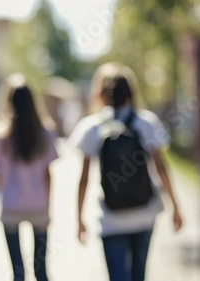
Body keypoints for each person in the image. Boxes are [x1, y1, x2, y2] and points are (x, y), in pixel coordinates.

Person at [68, 62, 183, 281]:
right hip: (145, 214)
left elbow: (83, 179)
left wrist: (79, 219)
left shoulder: (92, 127)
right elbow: (162, 169)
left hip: (111, 219)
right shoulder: (146, 122)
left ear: (101, 94)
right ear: (131, 92)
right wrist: (176, 207)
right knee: (139, 275)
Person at [0, 74, 58, 281]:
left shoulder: (0, 137)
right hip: (39, 205)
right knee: (41, 270)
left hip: (11, 206)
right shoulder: (46, 133)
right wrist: (48, 209)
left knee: (17, 272)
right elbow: (48, 175)